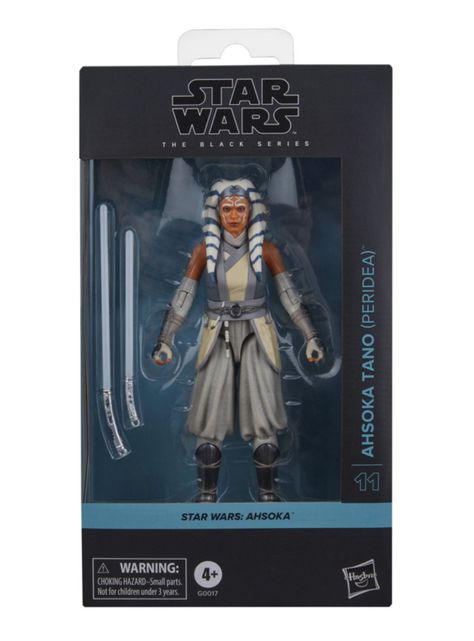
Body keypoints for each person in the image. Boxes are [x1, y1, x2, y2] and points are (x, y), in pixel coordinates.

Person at [152, 178, 324, 502]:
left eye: (240, 209)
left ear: (251, 212)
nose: (233, 215)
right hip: (216, 333)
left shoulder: (267, 250)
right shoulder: (204, 251)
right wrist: (166, 338)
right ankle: (206, 492)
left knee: (264, 419)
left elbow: (289, 296)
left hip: (258, 334)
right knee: (209, 420)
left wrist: (310, 336)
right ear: (217, 212)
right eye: (227, 209)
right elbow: (183, 296)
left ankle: (268, 492)